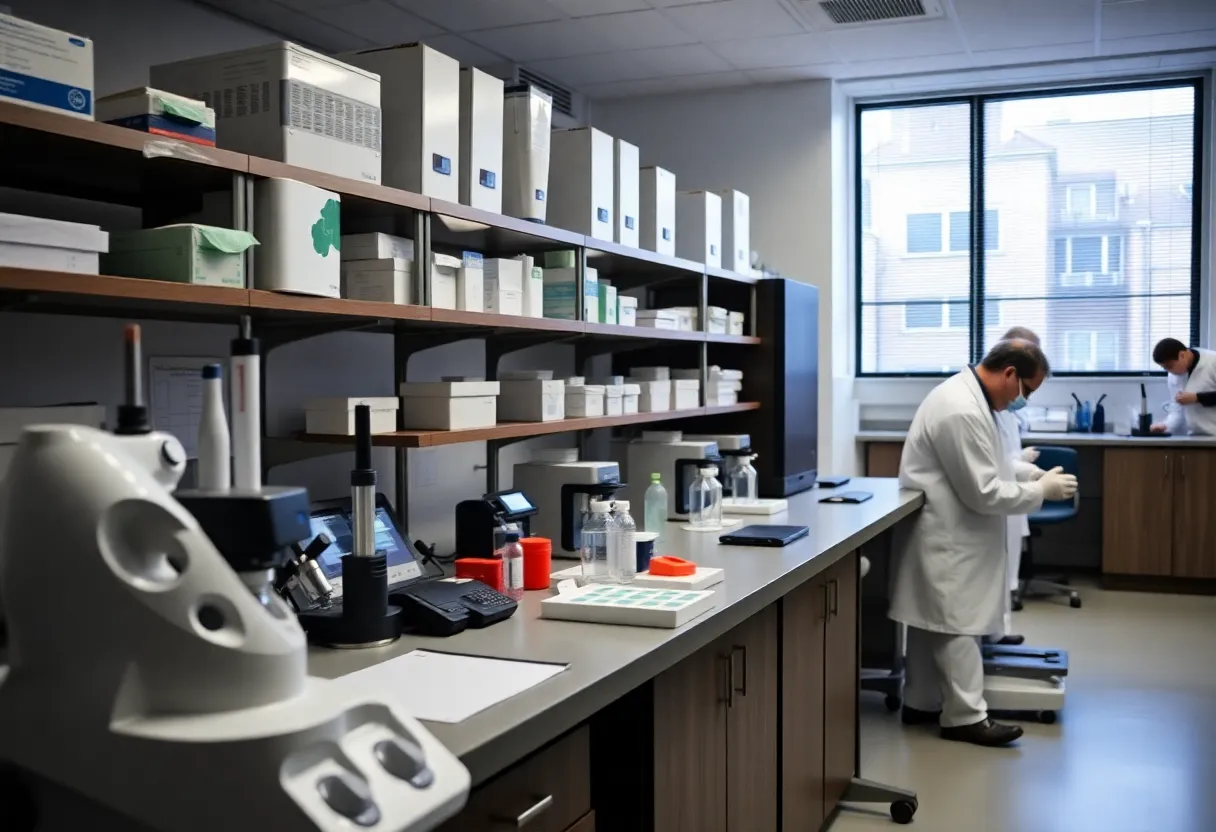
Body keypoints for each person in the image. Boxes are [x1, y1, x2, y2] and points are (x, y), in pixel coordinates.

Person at [890, 340, 1078, 747]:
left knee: (932, 622)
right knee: (957, 624)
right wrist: (1040, 491)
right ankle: (965, 717)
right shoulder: (960, 407)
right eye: (1026, 390)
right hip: (949, 535)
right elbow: (984, 491)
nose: (1022, 400)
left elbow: (986, 461)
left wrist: (1028, 474)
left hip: (952, 531)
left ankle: (920, 702)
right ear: (1010, 373)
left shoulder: (972, 398)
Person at [994, 327, 1051, 635]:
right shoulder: (988, 401)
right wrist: (1030, 475)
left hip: (1010, 489)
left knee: (1007, 564)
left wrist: (1022, 461)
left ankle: (1000, 630)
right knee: (999, 566)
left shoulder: (1004, 404)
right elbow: (993, 462)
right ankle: (997, 631)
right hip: (1000, 493)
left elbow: (1004, 450)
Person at [1151, 338, 1216, 436]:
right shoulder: (1173, 376)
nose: (1169, 371)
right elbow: (1177, 411)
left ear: (1182, 355)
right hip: (1195, 437)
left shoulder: (1212, 362)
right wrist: (1165, 426)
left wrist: (1197, 398)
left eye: (1170, 366)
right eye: (1165, 368)